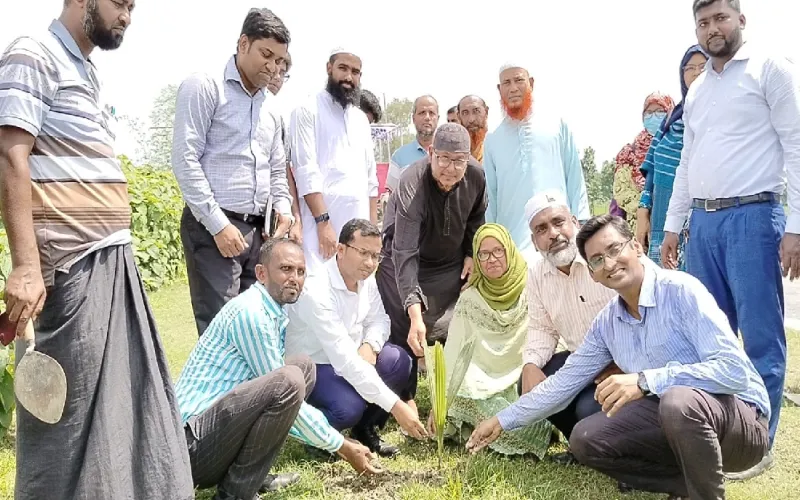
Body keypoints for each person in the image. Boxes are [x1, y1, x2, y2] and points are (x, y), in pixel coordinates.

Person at [0, 2, 194, 499]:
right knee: (66, 426)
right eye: (119, 2)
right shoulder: (33, 53)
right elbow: (9, 153)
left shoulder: (82, 70)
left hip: (111, 262)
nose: (127, 15)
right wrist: (25, 265)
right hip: (72, 268)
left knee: (120, 416)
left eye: (133, 6)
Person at [467, 214, 770, 500]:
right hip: (677, 421)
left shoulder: (681, 291)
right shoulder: (607, 323)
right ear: (593, 275)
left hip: (741, 424)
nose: (610, 263)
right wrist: (502, 420)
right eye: (597, 260)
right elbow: (563, 383)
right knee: (586, 439)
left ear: (636, 247)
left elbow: (734, 372)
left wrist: (645, 380)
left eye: (614, 249)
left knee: (678, 400)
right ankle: (686, 483)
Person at [663, 0, 800, 479]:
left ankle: (759, 445)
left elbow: (797, 144)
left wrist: (796, 226)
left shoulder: (771, 68)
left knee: (761, 338)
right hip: (704, 225)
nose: (712, 28)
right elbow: (686, 162)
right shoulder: (699, 89)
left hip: (754, 217)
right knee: (709, 337)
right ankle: (723, 433)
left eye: (721, 17)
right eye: (703, 22)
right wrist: (673, 226)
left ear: (741, 19)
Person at [176, 239, 381, 500]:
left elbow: (282, 406)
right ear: (262, 273)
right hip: (191, 447)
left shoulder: (270, 310)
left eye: (300, 271)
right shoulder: (251, 314)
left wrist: (334, 441)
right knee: (290, 379)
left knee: (302, 367)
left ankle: (254, 478)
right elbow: (284, 395)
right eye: (285, 269)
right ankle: (235, 494)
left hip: (211, 434)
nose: (294, 278)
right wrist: (340, 444)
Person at [172, 8, 294, 335]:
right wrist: (218, 226)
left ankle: (254, 389)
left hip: (258, 234)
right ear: (243, 44)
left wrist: (283, 209)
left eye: (279, 60)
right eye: (265, 54)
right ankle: (218, 389)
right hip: (214, 229)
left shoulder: (271, 108)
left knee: (255, 328)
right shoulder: (205, 87)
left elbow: (276, 171)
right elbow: (185, 160)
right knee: (222, 334)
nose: (272, 67)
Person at [285, 219, 427, 457]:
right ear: (341, 250)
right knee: (348, 407)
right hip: (316, 366)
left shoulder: (366, 278)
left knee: (398, 360)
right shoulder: (317, 289)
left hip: (354, 356)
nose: (370, 263)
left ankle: (365, 428)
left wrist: (370, 345)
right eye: (363, 253)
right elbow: (344, 360)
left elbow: (381, 320)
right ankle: (319, 437)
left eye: (376, 255)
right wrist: (397, 406)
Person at [376, 123, 487, 411]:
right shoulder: (412, 182)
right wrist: (414, 312)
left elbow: (476, 219)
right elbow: (405, 252)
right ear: (430, 152)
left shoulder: (476, 175)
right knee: (405, 324)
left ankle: (454, 394)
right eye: (444, 159)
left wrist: (470, 254)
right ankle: (405, 396)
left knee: (454, 323)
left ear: (468, 158)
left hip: (448, 262)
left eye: (459, 160)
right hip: (403, 258)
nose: (451, 168)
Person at [436, 223, 553, 458]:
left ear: (509, 250)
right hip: (481, 382)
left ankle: (489, 430)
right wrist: (440, 399)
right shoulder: (470, 298)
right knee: (462, 395)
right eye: (484, 253)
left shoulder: (532, 288)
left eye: (498, 251)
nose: (492, 259)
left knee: (534, 412)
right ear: (476, 259)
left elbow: (549, 335)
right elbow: (454, 351)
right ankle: (487, 429)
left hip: (522, 379)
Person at [520, 190, 617, 459]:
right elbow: (542, 328)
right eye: (542, 229)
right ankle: (583, 449)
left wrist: (624, 363)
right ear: (534, 240)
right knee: (530, 381)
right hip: (581, 364)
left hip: (623, 366)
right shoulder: (537, 275)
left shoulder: (601, 259)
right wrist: (530, 364)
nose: (553, 234)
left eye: (558, 222)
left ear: (575, 223)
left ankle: (615, 452)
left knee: (588, 410)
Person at [483, 62, 590, 265]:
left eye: (519, 80)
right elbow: (491, 195)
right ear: (499, 89)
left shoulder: (556, 125)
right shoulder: (493, 140)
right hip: (513, 245)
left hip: (559, 237)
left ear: (531, 83)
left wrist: (581, 224)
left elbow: (574, 177)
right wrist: (493, 239)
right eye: (506, 82)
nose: (513, 88)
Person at [289, 47, 379, 276]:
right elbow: (305, 171)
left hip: (358, 233)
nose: (349, 77)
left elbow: (371, 181)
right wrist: (323, 223)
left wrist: (373, 232)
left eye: (355, 72)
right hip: (321, 230)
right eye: (343, 68)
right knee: (320, 293)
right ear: (329, 68)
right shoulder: (306, 110)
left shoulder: (360, 120)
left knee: (357, 297)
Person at [636, 46, 707, 270]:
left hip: (699, 215)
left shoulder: (717, 117)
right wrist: (643, 210)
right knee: (663, 285)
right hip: (661, 214)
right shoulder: (671, 119)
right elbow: (653, 168)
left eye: (702, 67)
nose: (695, 73)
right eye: (689, 68)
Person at [609, 92, 675, 229]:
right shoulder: (629, 153)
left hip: (674, 222)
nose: (654, 117)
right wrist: (644, 209)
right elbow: (621, 192)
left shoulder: (681, 146)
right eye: (649, 113)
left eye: (660, 111)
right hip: (636, 229)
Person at [266, 53, 305, 246]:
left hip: (273, 216)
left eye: (283, 73)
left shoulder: (278, 120)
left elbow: (284, 172)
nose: (277, 77)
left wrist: (296, 219)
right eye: (274, 70)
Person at [386, 95, 438, 192]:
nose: (427, 117)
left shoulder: (448, 154)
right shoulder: (399, 156)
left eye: (431, 113)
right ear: (413, 118)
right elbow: (392, 195)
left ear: (437, 118)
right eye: (422, 113)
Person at [457, 95, 489, 164]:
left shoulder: (498, 146)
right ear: (459, 117)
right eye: (465, 113)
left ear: (486, 112)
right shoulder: (454, 150)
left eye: (476, 111)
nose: (471, 119)